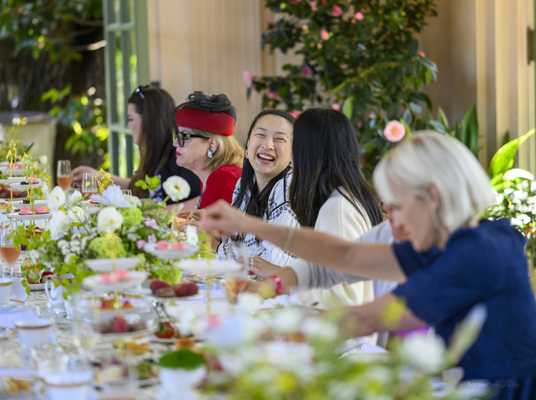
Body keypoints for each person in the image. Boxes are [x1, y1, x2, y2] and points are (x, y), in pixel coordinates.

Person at [200, 132, 536, 399]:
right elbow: (345, 256)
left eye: (398, 207)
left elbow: (366, 318)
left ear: (432, 196)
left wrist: (251, 336)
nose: (394, 224)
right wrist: (249, 224)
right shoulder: (455, 240)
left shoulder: (478, 253)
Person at [246, 109, 383, 306]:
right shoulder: (344, 197)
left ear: (308, 152)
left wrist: (285, 285)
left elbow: (343, 298)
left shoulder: (338, 209)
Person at [72, 85, 201, 204]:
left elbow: (202, 201)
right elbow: (145, 188)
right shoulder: (157, 153)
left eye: (131, 119)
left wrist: (160, 212)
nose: (128, 126)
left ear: (149, 120)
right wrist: (101, 178)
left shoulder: (180, 157)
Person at [217, 109, 297, 267]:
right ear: (247, 148)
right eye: (260, 135)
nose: (268, 145)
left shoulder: (290, 189)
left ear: (293, 156)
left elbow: (272, 263)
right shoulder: (244, 183)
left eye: (279, 139)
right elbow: (227, 250)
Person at [174, 91, 243, 209]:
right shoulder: (210, 176)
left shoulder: (224, 178)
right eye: (177, 135)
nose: (175, 143)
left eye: (184, 136)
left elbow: (209, 227)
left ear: (213, 144)